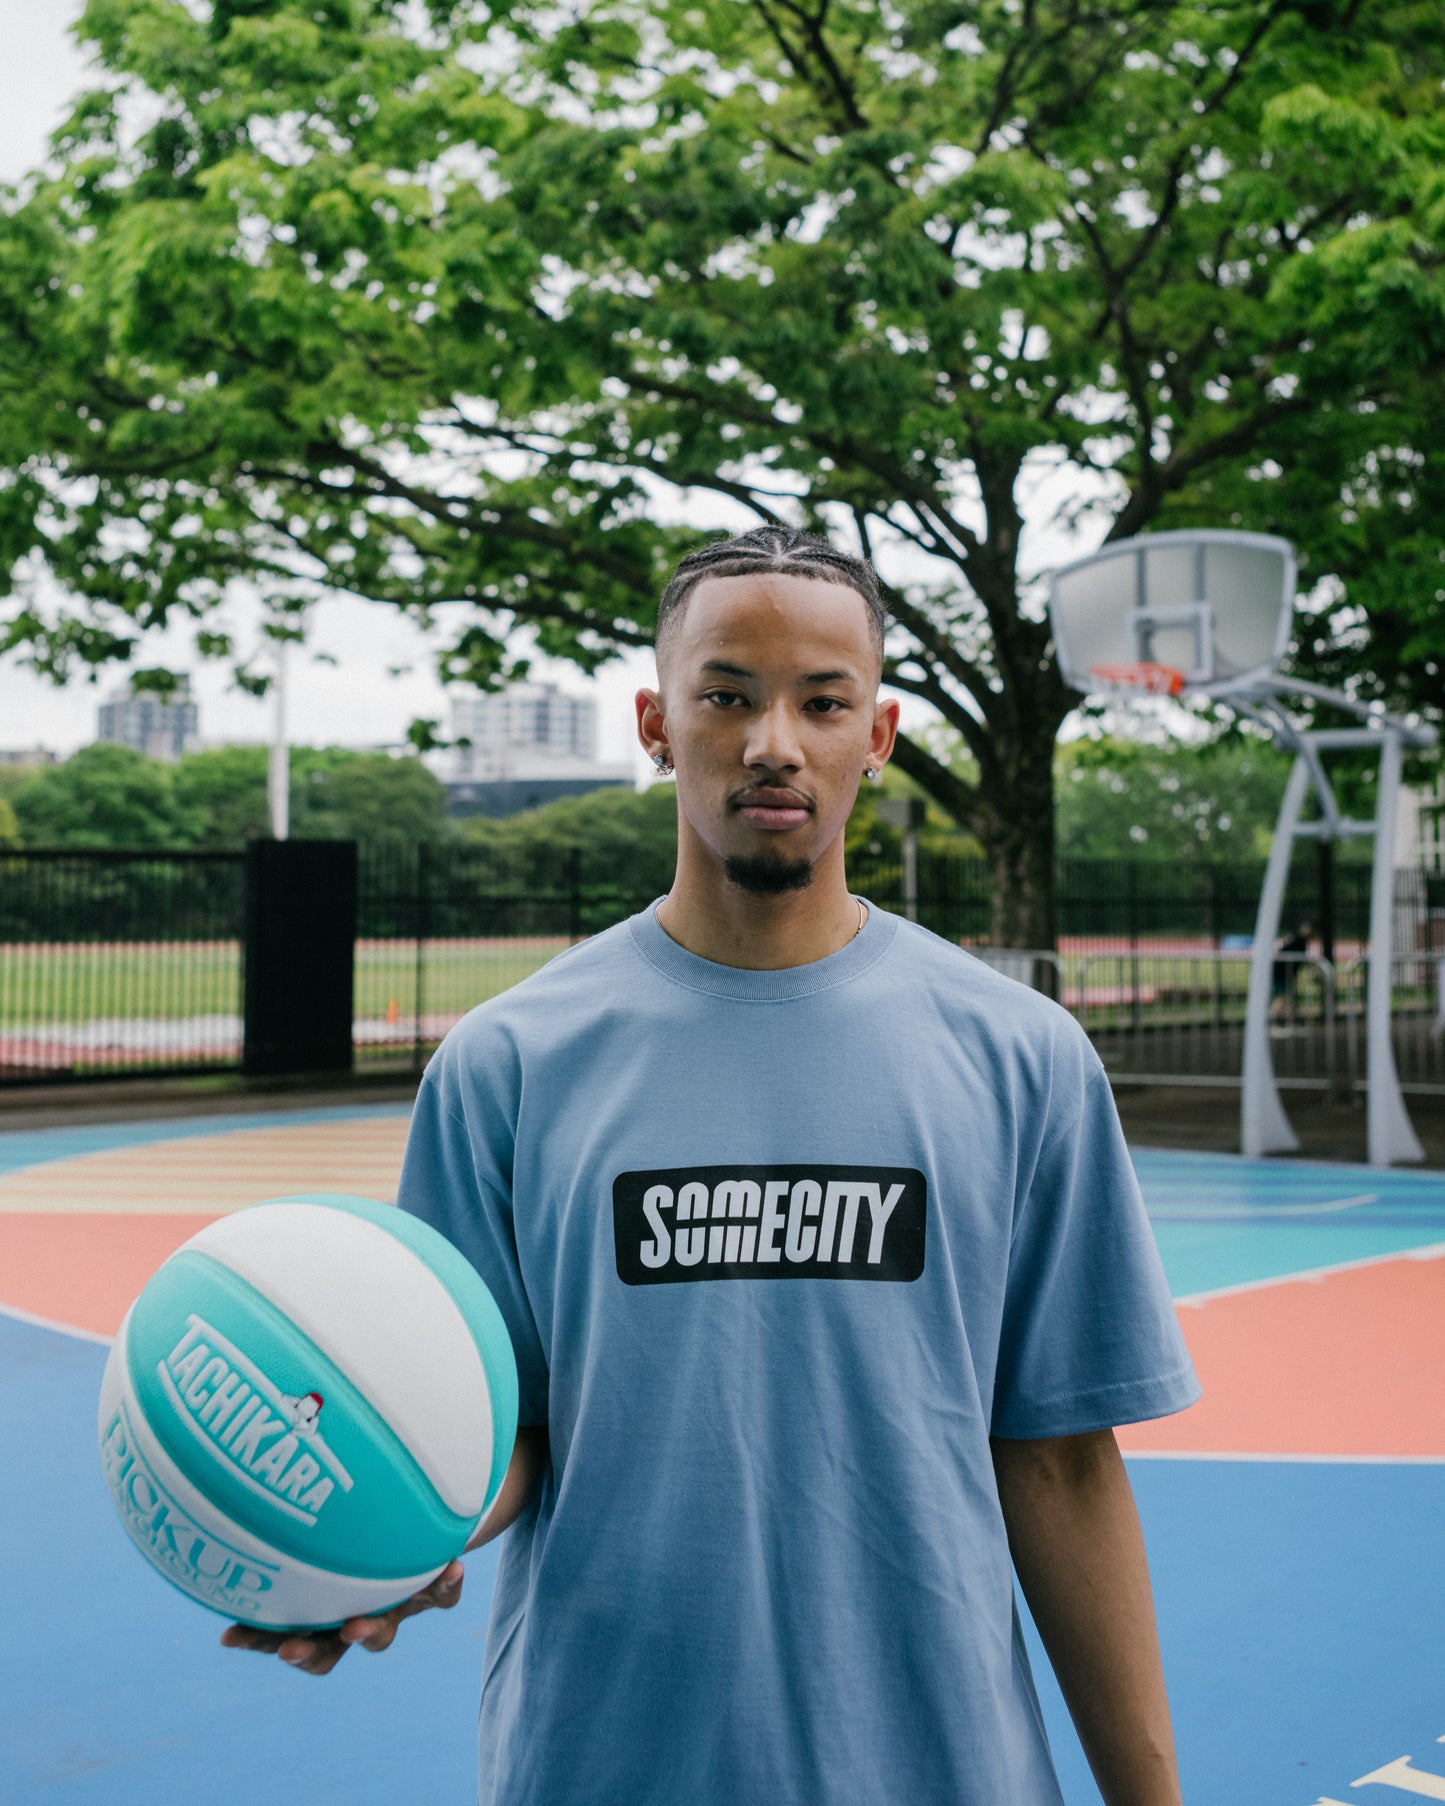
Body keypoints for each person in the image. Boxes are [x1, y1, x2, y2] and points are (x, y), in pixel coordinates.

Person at [223, 527, 1200, 1806]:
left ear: (879, 735)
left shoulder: (1021, 1058)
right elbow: (487, 1432)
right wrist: (384, 1543)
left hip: (945, 1765)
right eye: (726, 695)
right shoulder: (508, 1064)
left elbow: (1062, 1461)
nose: (773, 741)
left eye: (821, 702)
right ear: (655, 722)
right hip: (601, 1763)